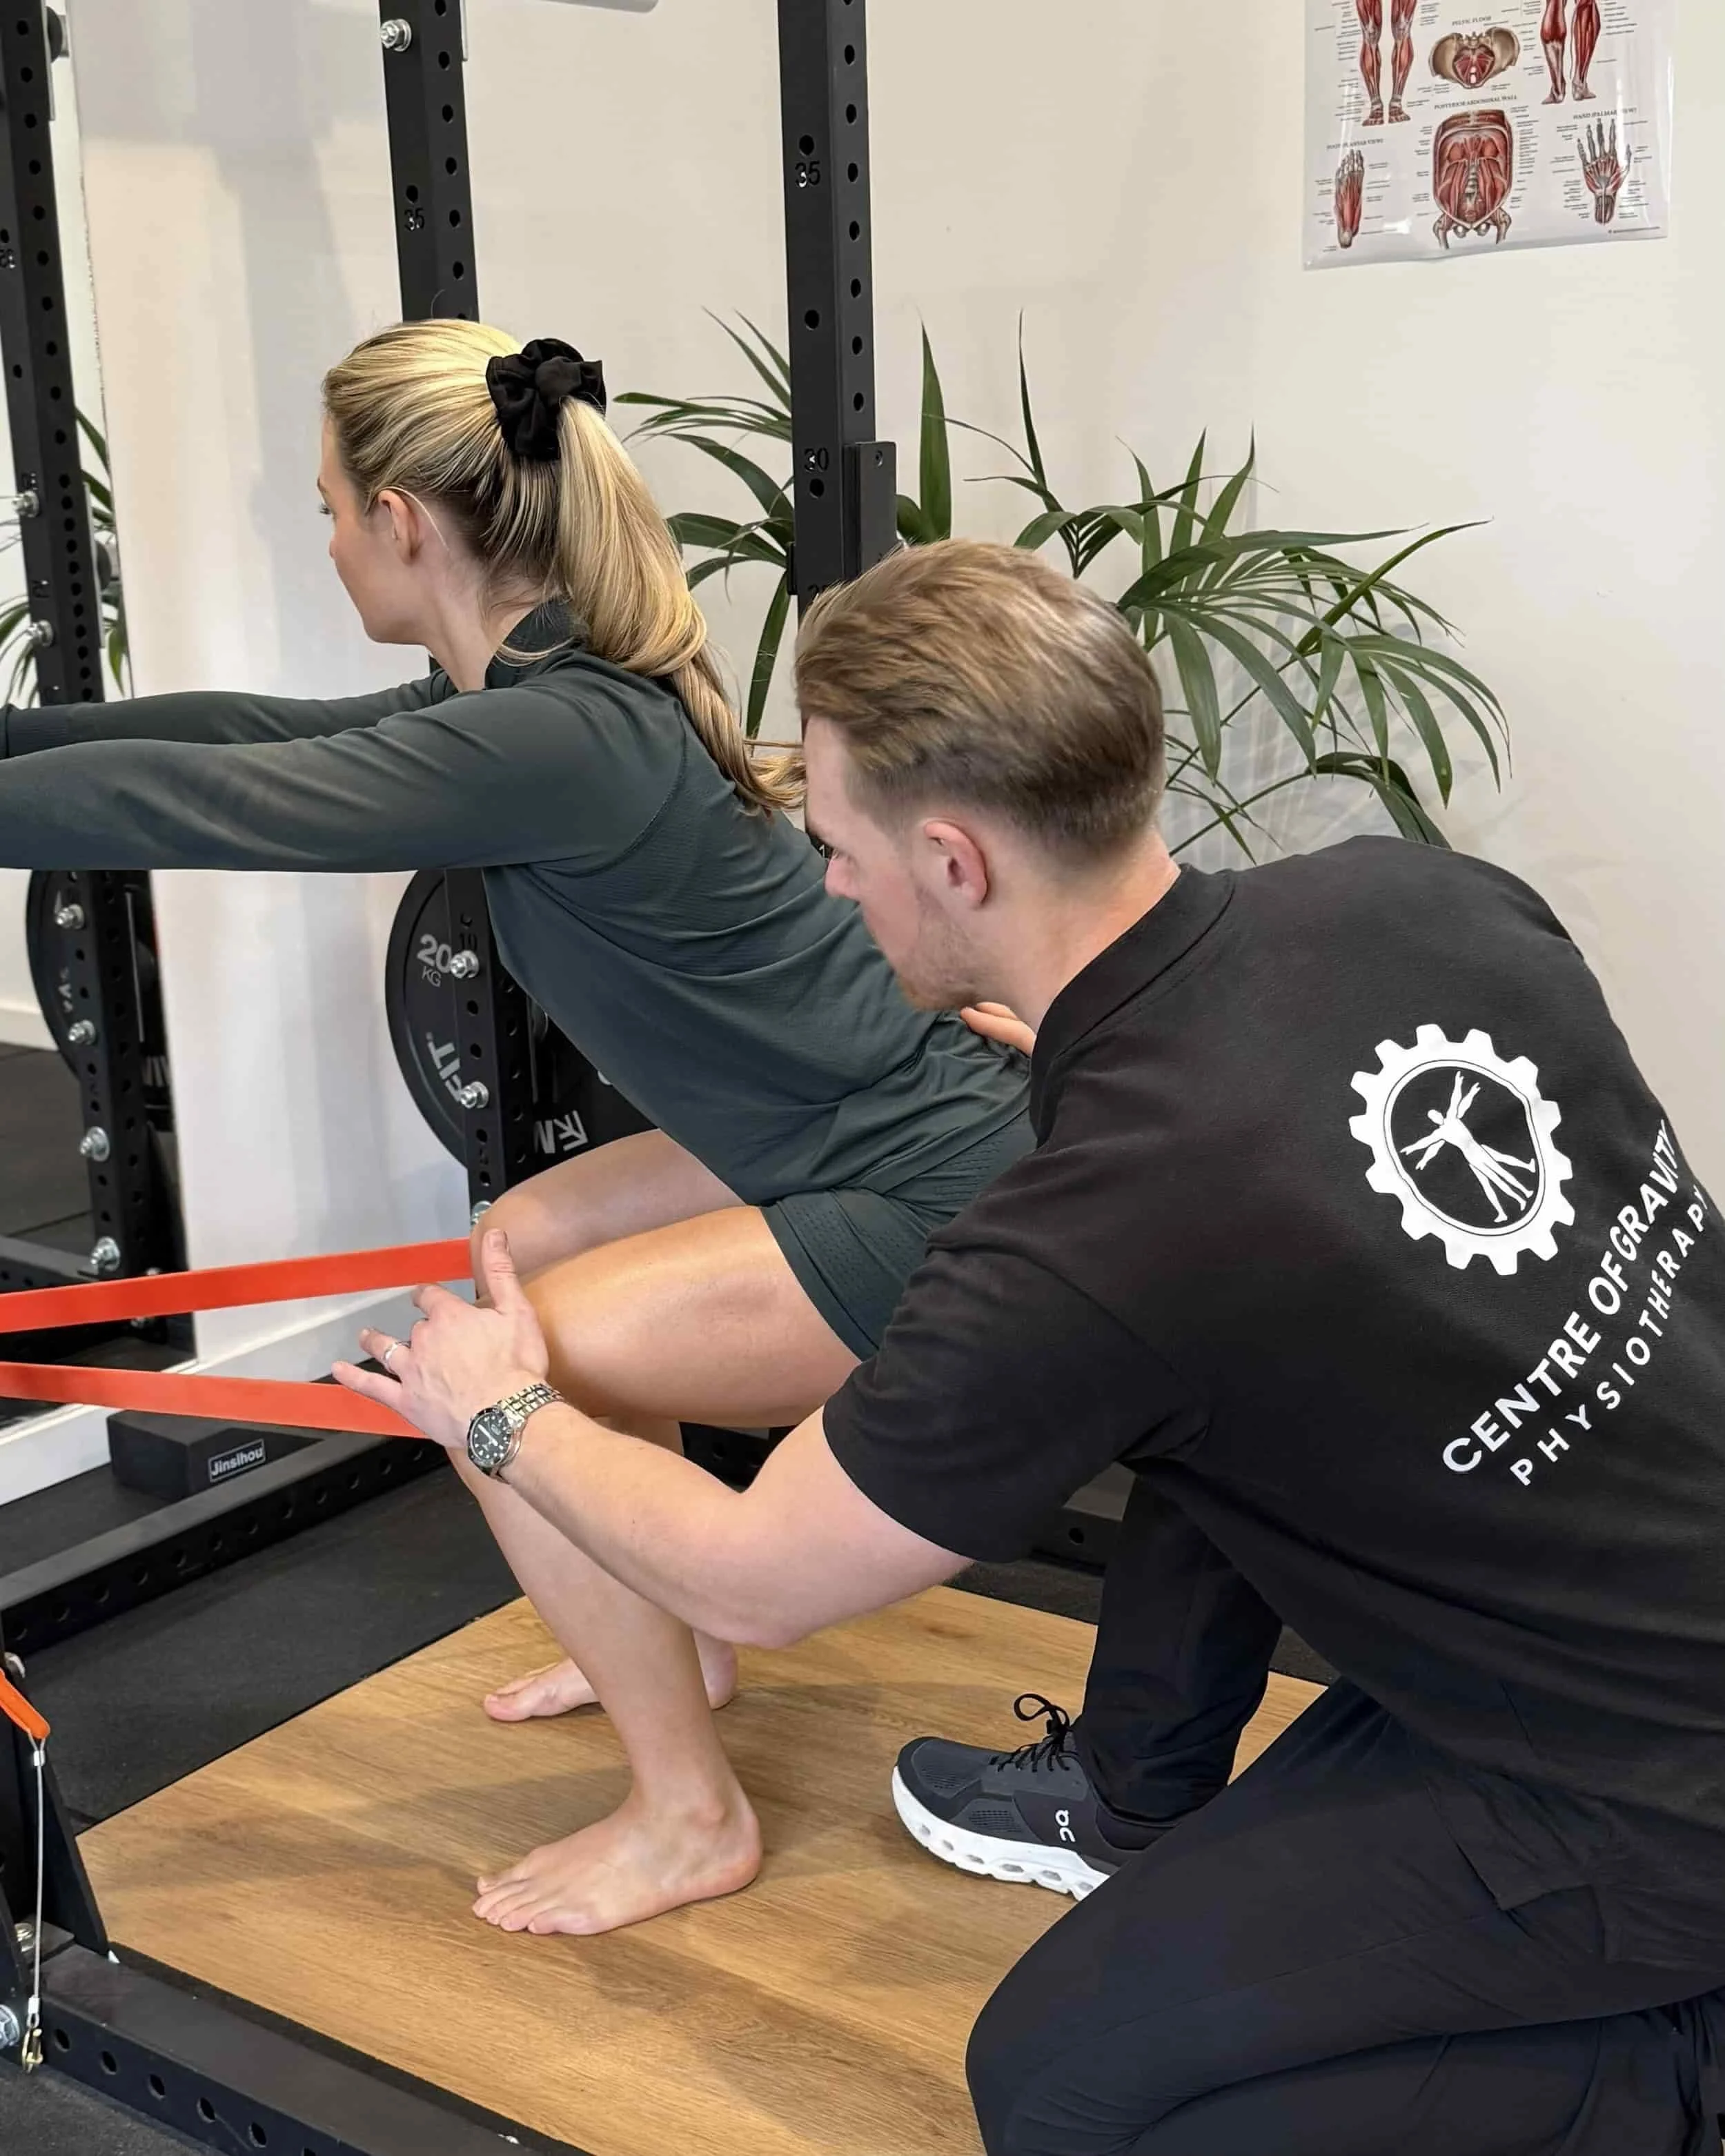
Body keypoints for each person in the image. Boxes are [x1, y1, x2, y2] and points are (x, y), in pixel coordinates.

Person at [348, 537, 1725, 2153]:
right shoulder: (1420, 898)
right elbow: (1268, 1145)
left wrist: (499, 1406)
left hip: (1636, 1787)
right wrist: (1077, 1046)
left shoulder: (1099, 1229)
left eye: (836, 843)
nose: (828, 883)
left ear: (953, 859)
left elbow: (747, 1575)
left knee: (1065, 2094)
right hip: (1591, 1647)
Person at [0, 325, 1031, 1937]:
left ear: (409, 521)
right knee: (525, 1238)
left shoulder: (549, 736)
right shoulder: (539, 688)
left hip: (923, 1171)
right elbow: (238, 739)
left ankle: (688, 1811)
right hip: (833, 1122)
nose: (327, 538)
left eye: (334, 507)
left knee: (495, 1361)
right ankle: (676, 1629)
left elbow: (192, 809)